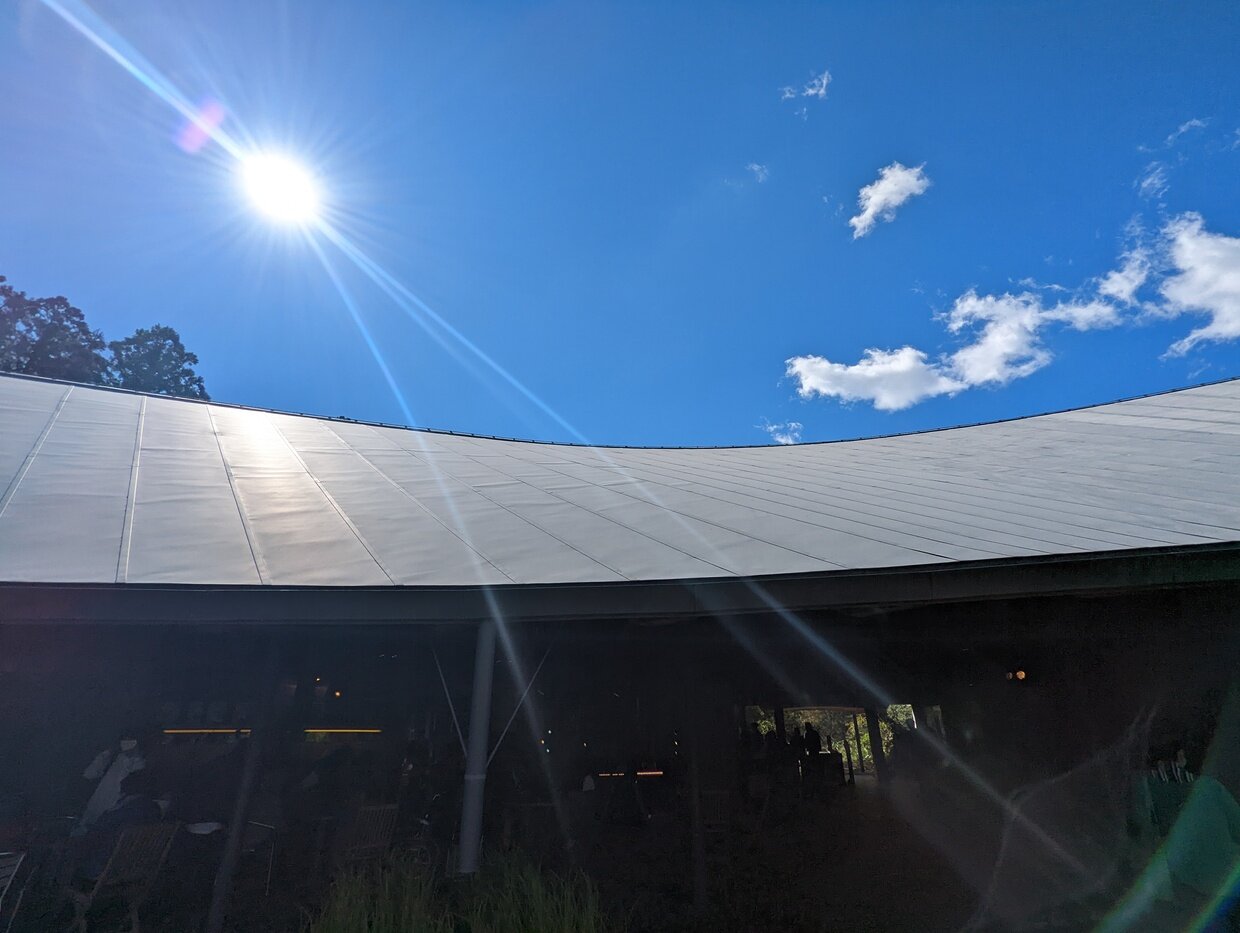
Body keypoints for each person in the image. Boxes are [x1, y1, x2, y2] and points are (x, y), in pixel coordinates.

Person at [76, 732, 146, 835]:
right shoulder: (113, 757)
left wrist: (134, 756)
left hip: (116, 815)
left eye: (130, 740)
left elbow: (133, 785)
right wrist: (106, 754)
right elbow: (89, 774)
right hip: (94, 810)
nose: (126, 743)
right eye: (124, 740)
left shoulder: (142, 763)